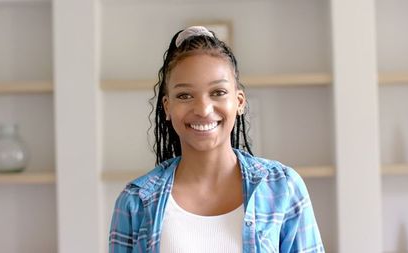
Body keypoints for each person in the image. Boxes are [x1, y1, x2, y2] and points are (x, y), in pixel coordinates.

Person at [109, 26, 324, 253]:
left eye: (218, 92)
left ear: (239, 101)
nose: (202, 109)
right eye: (185, 95)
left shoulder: (284, 187)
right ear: (167, 107)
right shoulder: (135, 201)